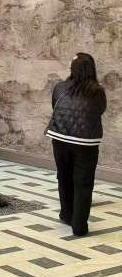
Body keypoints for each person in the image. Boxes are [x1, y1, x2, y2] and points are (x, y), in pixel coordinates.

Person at [46, 53, 107, 237]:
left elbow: (55, 106)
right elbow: (100, 110)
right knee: (83, 182)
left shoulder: (60, 88)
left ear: (73, 68)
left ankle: (67, 215)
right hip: (86, 143)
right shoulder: (97, 91)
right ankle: (79, 226)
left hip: (60, 138)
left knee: (64, 176)